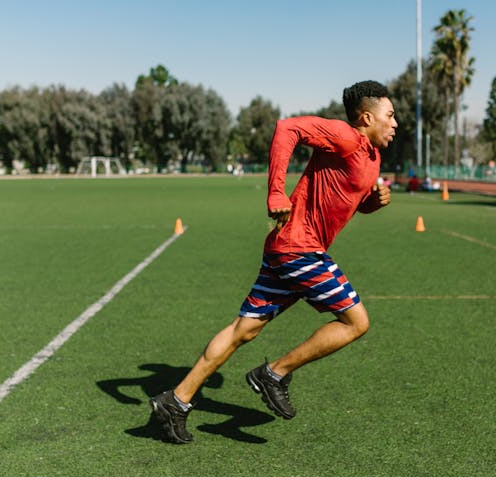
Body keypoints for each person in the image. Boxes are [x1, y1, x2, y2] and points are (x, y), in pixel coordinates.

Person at [149, 80, 397, 444]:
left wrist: (374, 202)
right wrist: (276, 190)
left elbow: (344, 199)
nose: (395, 124)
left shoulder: (372, 157)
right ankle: (274, 374)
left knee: (243, 330)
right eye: (389, 116)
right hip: (299, 248)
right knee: (355, 321)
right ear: (366, 117)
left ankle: (175, 401)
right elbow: (287, 128)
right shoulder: (344, 135)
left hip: (288, 247)